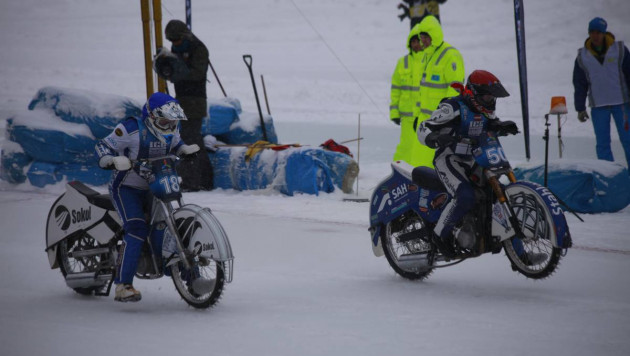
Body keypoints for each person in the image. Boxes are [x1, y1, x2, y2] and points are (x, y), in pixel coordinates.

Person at [417, 70, 546, 265]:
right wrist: (433, 137)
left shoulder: (485, 110)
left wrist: (501, 126)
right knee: (465, 195)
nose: (491, 100)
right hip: (449, 159)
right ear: (473, 93)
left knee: (498, 197)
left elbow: (487, 126)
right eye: (487, 96)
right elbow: (424, 127)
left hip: (475, 160)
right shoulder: (452, 107)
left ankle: (521, 255)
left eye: (493, 97)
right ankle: (438, 235)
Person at [95, 92, 200, 302]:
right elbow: (103, 145)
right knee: (136, 229)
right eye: (164, 121)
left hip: (156, 185)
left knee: (172, 226)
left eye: (173, 121)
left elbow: (176, 144)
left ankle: (193, 279)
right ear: (151, 117)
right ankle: (123, 285)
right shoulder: (130, 129)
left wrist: (184, 149)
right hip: (126, 187)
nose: (169, 125)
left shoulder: (172, 127)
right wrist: (110, 160)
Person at [161, 19, 214, 191]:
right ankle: (200, 180)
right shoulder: (178, 48)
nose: (175, 43)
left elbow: (198, 73)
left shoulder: (198, 49)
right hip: (181, 100)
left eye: (177, 40)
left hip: (195, 101)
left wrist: (178, 71)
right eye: (172, 41)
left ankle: (196, 181)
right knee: (186, 139)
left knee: (190, 140)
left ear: (184, 36)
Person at [573, 17, 630, 171]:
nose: (595, 35)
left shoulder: (620, 50)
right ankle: (609, 173)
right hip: (598, 106)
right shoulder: (582, 56)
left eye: (598, 32)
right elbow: (579, 83)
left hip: (622, 104)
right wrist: (580, 108)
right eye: (592, 32)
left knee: (628, 140)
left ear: (604, 33)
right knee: (603, 143)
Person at [390, 23, 429, 167]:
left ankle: (423, 175)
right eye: (413, 41)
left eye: (418, 40)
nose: (416, 44)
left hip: (425, 115)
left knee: (423, 148)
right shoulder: (403, 62)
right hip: (407, 116)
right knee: (406, 146)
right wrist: (394, 112)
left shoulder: (429, 60)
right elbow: (396, 88)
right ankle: (399, 170)